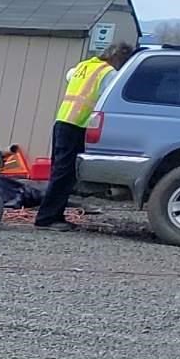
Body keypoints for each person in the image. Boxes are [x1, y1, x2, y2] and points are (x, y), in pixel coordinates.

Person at [33, 40, 135, 226]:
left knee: (59, 172)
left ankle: (52, 215)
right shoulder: (108, 74)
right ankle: (46, 218)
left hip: (62, 121)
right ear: (118, 58)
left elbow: (70, 76)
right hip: (78, 125)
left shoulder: (84, 66)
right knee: (65, 174)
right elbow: (111, 99)